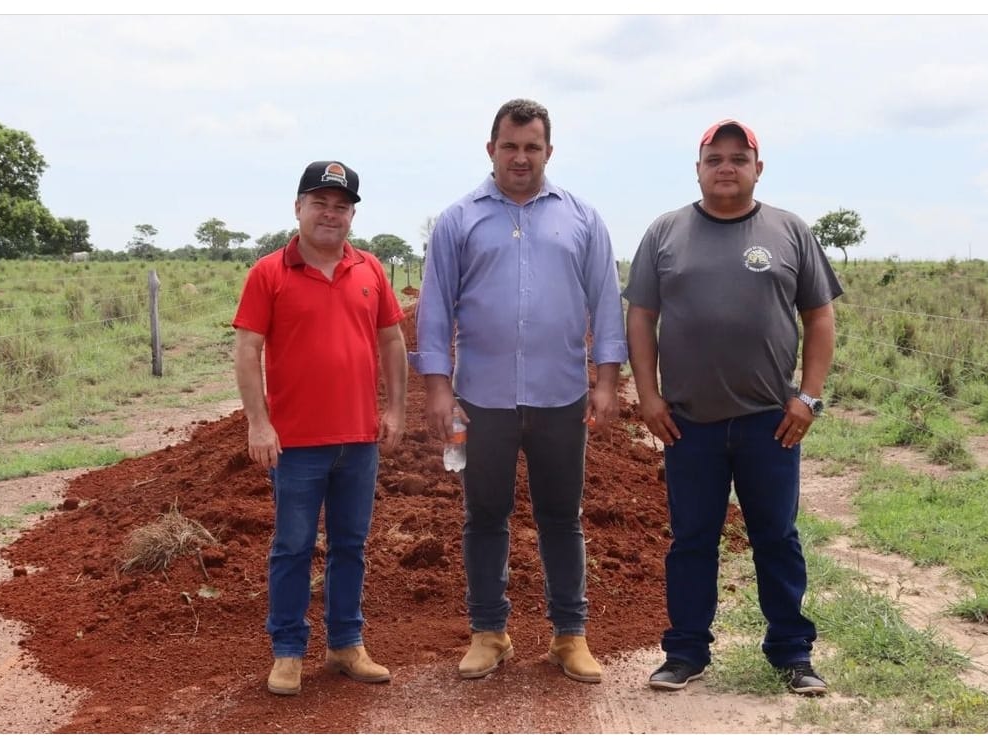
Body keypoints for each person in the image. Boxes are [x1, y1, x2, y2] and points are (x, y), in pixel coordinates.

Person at [410, 99, 628, 684]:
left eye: (533, 147)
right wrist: (436, 388)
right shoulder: (459, 220)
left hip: (561, 396)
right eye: (510, 146)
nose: (521, 157)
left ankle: (569, 635)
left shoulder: (582, 219)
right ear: (491, 150)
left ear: (548, 152)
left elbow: (608, 304)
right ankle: (489, 632)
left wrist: (606, 381)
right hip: (482, 399)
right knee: (485, 515)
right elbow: (434, 309)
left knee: (562, 517)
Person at [623, 119, 843, 696]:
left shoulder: (789, 231)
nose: (726, 168)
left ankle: (792, 653)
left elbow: (819, 316)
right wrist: (647, 396)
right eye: (715, 158)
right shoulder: (665, 233)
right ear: (698, 168)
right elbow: (641, 316)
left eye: (738, 159)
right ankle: (686, 652)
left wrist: (808, 397)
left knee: (776, 536)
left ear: (757, 169)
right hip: (687, 422)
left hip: (770, 422)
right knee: (692, 539)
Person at [232, 160, 407, 696]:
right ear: (299, 207)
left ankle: (346, 645)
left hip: (358, 439)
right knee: (292, 546)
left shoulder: (371, 270)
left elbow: (393, 342)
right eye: (320, 203)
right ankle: (287, 651)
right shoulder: (269, 272)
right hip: (296, 444)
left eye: (341, 206)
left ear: (351, 214)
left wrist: (396, 410)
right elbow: (247, 349)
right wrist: (258, 424)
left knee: (351, 545)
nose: (331, 214)